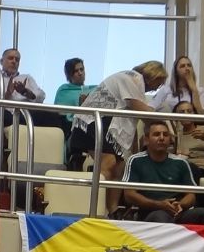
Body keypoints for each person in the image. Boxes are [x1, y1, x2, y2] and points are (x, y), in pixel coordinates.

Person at [67, 61, 168, 207]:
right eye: (159, 82)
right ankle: (98, 210)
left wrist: (134, 151)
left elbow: (133, 121)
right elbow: (139, 109)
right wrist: (166, 120)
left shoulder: (135, 85)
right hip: (93, 121)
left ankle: (113, 210)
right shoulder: (132, 78)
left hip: (108, 124)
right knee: (108, 164)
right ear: (153, 75)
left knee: (120, 167)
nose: (157, 87)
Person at [121, 122, 204, 225]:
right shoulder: (135, 160)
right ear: (146, 140)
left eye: (165, 134)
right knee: (161, 216)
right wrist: (159, 205)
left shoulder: (181, 163)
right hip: (149, 212)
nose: (162, 138)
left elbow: (191, 196)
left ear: (170, 140)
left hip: (177, 212)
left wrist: (180, 204)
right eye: (156, 134)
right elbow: (129, 195)